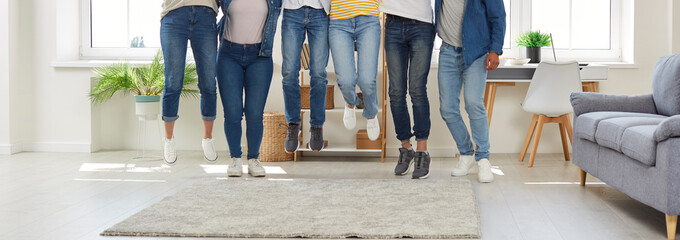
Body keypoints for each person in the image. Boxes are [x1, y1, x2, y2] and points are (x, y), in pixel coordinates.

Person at [435, 0, 506, 183]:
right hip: (448, 51)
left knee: (473, 103)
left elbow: (498, 16)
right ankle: (466, 154)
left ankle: (482, 158)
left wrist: (495, 50)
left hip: (477, 53)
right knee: (447, 108)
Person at [216, 0, 282, 177]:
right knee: (232, 112)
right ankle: (235, 159)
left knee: (254, 112)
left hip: (260, 56)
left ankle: (253, 159)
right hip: (228, 55)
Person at [160, 0, 219, 165]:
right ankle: (169, 140)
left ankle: (207, 138)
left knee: (208, 81)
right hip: (174, 13)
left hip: (206, 15)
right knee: (173, 81)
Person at [381, 0, 436, 179]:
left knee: (417, 90)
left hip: (421, 24)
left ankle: (422, 151)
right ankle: (406, 148)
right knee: (396, 92)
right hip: (392, 23)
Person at [281, 0, 332, 153]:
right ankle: (293, 124)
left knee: (318, 73)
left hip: (320, 11)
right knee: (289, 73)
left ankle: (317, 126)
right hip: (292, 11)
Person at [328, 0, 381, 140]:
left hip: (368, 18)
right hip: (338, 20)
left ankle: (371, 113)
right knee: (345, 80)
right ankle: (350, 103)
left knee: (367, 81)